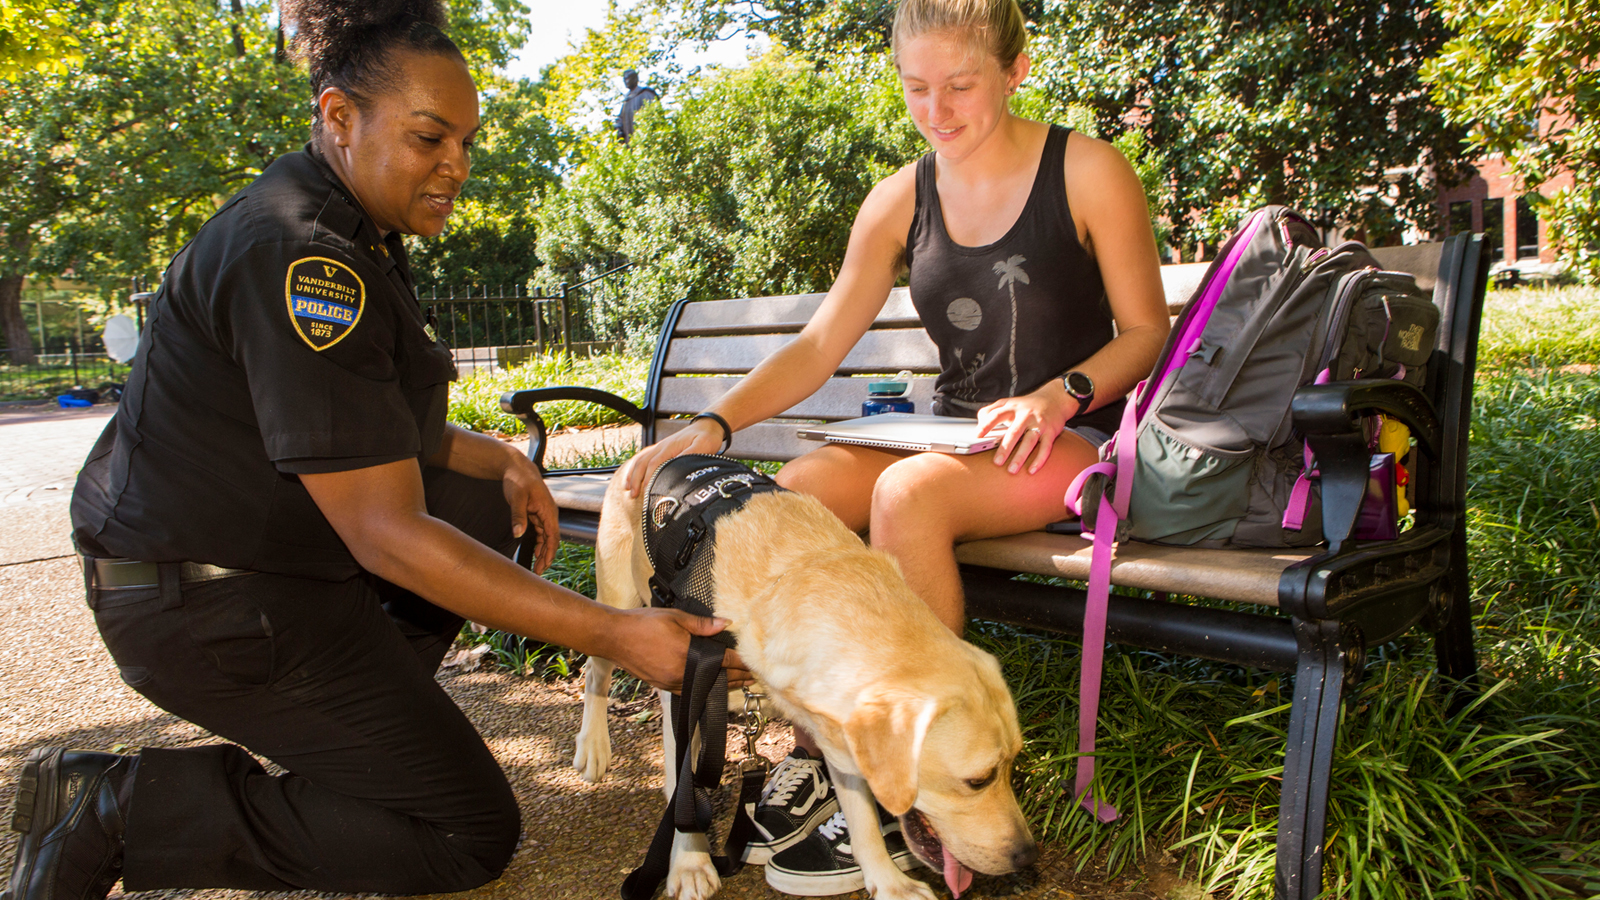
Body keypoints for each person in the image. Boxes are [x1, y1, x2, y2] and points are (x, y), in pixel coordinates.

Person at [4, 2, 746, 899]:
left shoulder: (342, 225)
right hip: (208, 608)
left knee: (478, 501)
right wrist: (616, 633)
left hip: (250, 567)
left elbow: (357, 422)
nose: (457, 166)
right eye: (431, 137)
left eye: (467, 142)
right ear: (340, 116)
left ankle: (369, 729)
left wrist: (500, 458)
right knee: (463, 831)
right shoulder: (305, 259)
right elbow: (386, 534)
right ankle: (116, 804)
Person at [619, 0, 1169, 893]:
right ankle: (828, 749)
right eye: (917, 87)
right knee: (793, 490)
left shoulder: (1088, 170)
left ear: (1016, 67)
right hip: (951, 429)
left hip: (1071, 436)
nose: (937, 110)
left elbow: (1147, 332)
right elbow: (817, 346)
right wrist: (713, 425)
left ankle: (894, 796)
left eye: (960, 85)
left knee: (908, 496)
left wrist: (1058, 395)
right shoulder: (900, 198)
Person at [615, 68, 660, 143]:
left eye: (628, 79)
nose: (626, 82)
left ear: (635, 79)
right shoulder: (626, 100)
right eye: (624, 79)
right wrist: (618, 128)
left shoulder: (645, 93)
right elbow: (621, 118)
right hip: (630, 142)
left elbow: (654, 114)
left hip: (645, 138)